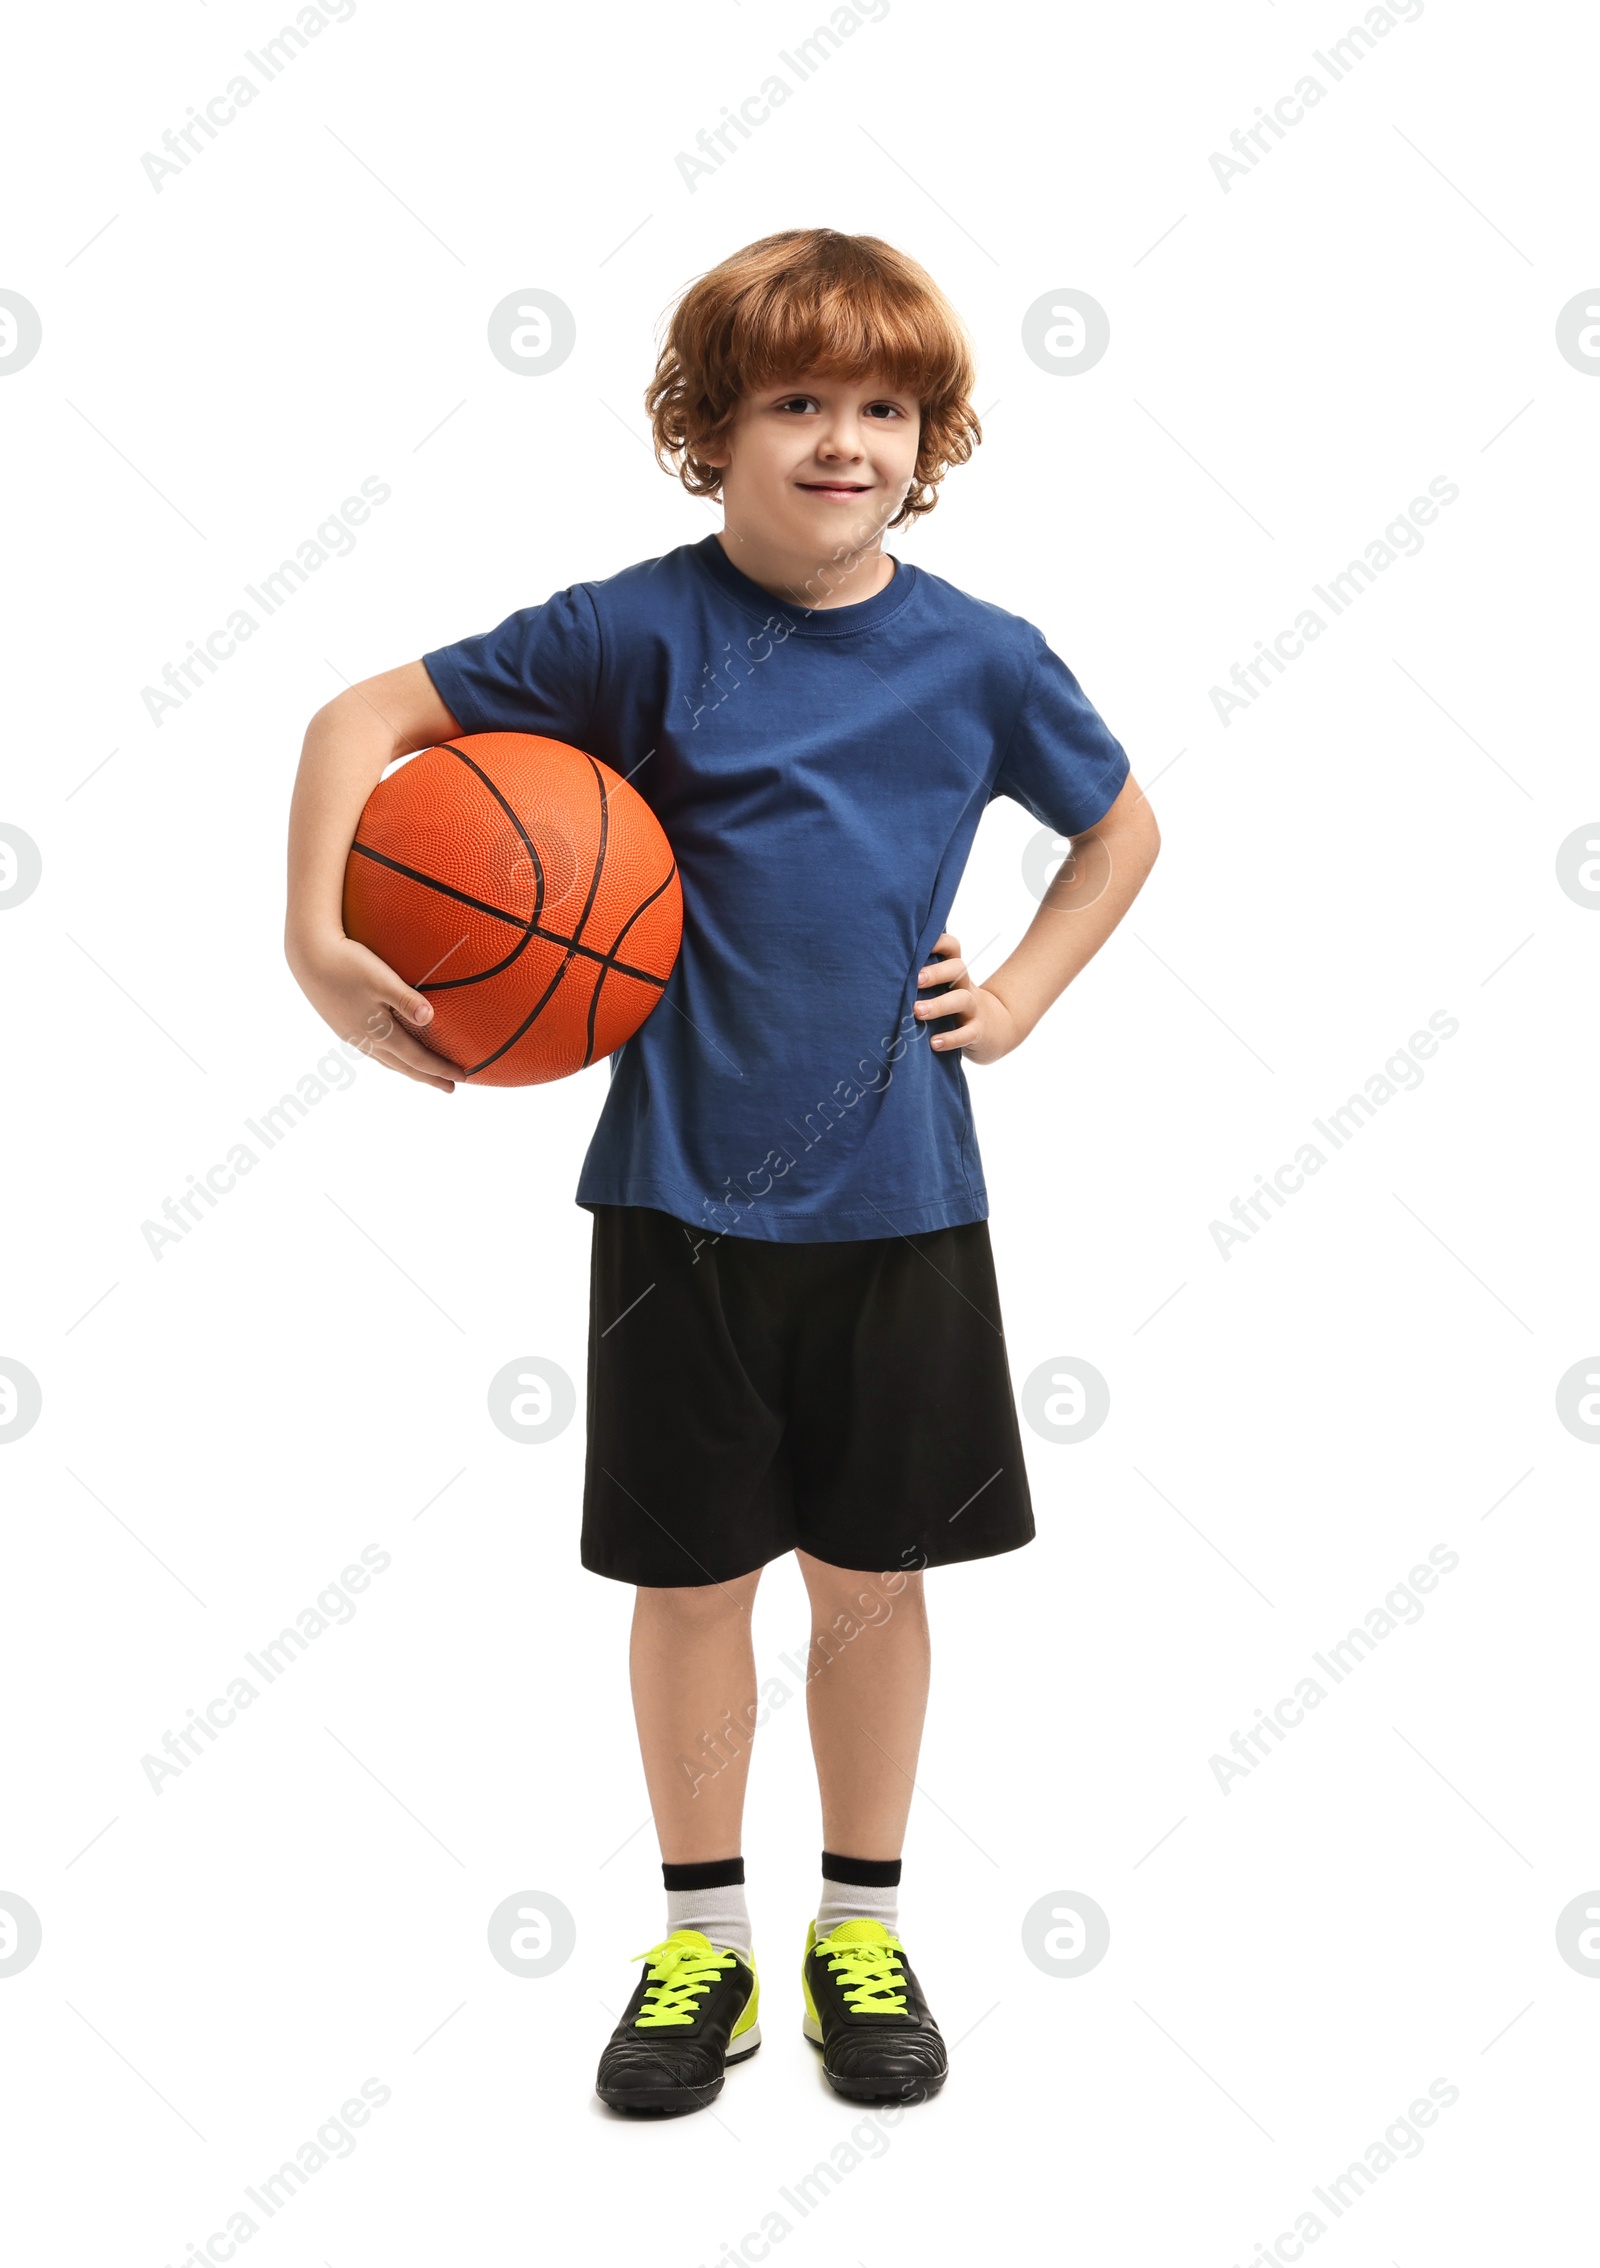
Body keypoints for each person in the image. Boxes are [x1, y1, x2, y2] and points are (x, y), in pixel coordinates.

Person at [284, 226, 1159, 2116]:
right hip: (678, 1200)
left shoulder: (986, 658)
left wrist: (1014, 995)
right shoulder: (630, 632)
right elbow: (359, 720)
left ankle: (862, 1925)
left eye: (884, 407)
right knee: (691, 1588)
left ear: (930, 439)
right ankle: (703, 1949)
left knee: (870, 1581)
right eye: (796, 403)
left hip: (905, 1201)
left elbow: (1123, 833)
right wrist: (312, 932)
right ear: (710, 428)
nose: (843, 439)